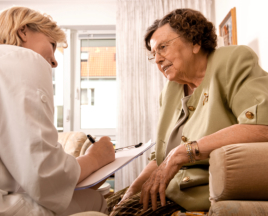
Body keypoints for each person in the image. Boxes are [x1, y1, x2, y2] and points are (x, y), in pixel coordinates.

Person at [107, 8, 268, 215]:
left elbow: (262, 126)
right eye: (153, 54)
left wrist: (184, 152)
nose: (157, 59)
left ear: (195, 42)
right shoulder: (170, 91)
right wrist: (130, 192)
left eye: (162, 48)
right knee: (111, 203)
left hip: (202, 190)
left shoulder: (232, 60)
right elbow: (159, 159)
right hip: (171, 188)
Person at [0, 6, 115, 216]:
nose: (54, 62)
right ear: (24, 31)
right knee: (94, 201)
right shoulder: (19, 58)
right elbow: (43, 173)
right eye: (52, 45)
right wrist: (95, 159)